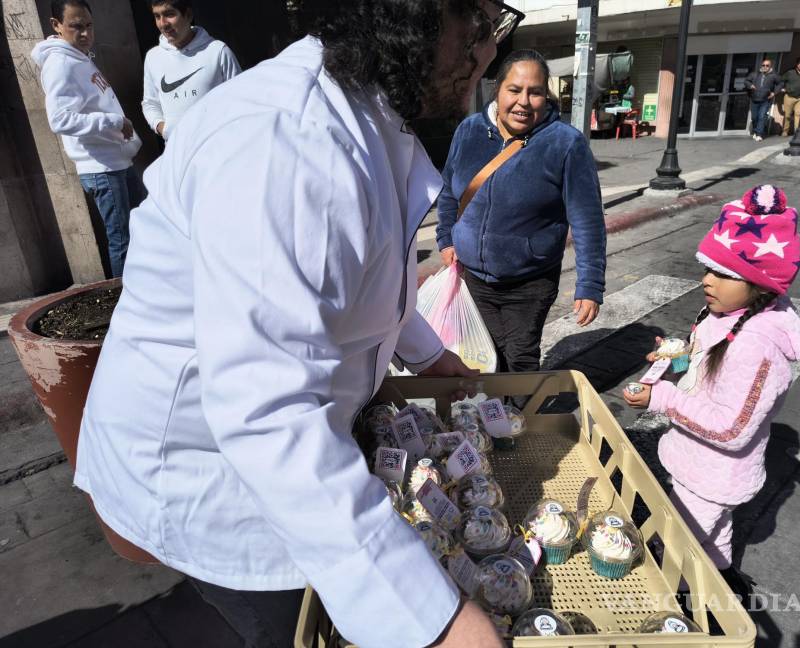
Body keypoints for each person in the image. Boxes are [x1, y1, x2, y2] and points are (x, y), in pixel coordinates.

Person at [76, 1, 516, 647]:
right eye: (480, 21)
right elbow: (265, 407)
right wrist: (435, 621)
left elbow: (358, 276)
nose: (489, 51)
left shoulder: (365, 108)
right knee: (288, 627)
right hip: (208, 473)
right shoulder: (291, 139)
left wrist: (425, 353)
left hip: (268, 449)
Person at [623, 185, 800, 596]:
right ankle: (722, 582)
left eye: (724, 273)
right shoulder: (720, 312)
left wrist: (662, 399)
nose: (707, 280)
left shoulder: (757, 347)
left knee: (673, 544)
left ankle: (679, 602)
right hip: (696, 463)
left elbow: (731, 429)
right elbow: (705, 368)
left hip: (714, 474)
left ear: (760, 284)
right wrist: (679, 360)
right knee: (714, 536)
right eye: (708, 268)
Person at [436, 49, 606, 375]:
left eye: (535, 92)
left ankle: (515, 423)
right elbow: (447, 192)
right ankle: (487, 421)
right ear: (497, 91)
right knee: (481, 356)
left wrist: (590, 284)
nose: (523, 102)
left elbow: (587, 220)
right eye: (514, 90)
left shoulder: (566, 144)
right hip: (472, 276)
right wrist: (446, 239)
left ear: (547, 95)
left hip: (529, 282)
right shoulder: (469, 131)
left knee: (518, 360)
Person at [31, 0, 145, 278]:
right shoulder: (60, 64)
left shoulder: (79, 57)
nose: (84, 33)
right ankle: (123, 307)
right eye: (75, 27)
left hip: (116, 160)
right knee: (123, 241)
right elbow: (60, 120)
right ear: (56, 26)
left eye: (88, 26)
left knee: (142, 230)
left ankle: (146, 297)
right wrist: (113, 121)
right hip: (102, 168)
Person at [142, 0, 241, 141]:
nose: (163, 24)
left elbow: (240, 100)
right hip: (178, 155)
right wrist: (164, 129)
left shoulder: (218, 51)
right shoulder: (153, 57)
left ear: (188, 15)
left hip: (219, 150)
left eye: (169, 14)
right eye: (157, 16)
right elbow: (150, 103)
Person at [745, 59, 782, 141]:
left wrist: (774, 93)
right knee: (754, 117)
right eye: (763, 65)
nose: (765, 67)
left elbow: (780, 84)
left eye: (767, 65)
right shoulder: (755, 74)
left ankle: (759, 134)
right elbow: (746, 81)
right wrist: (750, 85)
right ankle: (755, 131)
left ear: (770, 66)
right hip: (754, 99)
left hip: (765, 100)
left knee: (762, 116)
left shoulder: (774, 76)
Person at [780, 57, 800, 136]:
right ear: (797, 64)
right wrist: (783, 89)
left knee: (798, 114)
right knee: (787, 115)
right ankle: (785, 131)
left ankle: (796, 132)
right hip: (789, 97)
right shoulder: (790, 72)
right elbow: (781, 80)